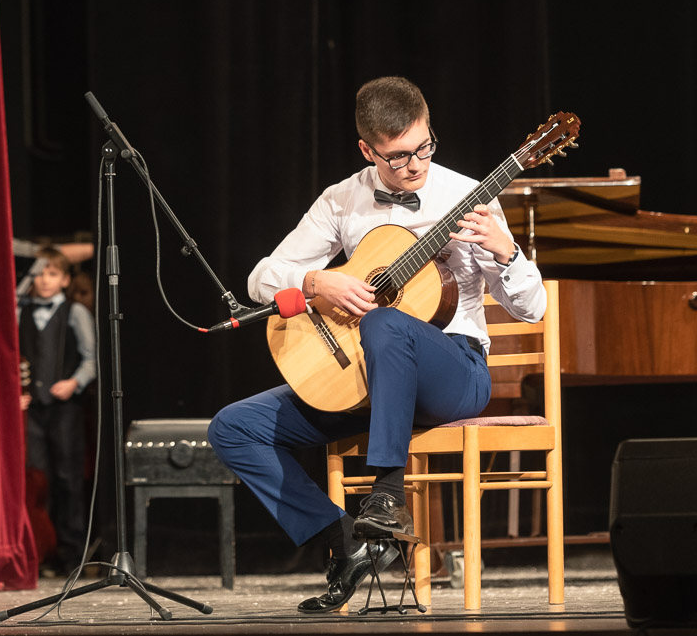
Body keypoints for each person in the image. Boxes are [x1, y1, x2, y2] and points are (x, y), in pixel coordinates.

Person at [208, 76, 546, 613]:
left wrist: (507, 253)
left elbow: (531, 310)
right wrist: (318, 283)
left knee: (386, 324)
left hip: (453, 372)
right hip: (369, 384)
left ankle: (385, 494)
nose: (415, 165)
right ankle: (349, 542)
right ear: (368, 150)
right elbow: (261, 278)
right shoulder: (342, 200)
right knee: (233, 428)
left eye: (424, 148)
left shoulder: (467, 196)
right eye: (398, 157)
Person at [18, 247, 97, 575]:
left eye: (52, 274)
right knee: (38, 481)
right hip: (32, 410)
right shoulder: (19, 308)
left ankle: (72, 556)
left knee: (67, 478)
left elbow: (91, 358)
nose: (44, 280)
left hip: (65, 408)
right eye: (38, 273)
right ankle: (39, 553)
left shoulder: (74, 311)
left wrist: (73, 383)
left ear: (65, 280)